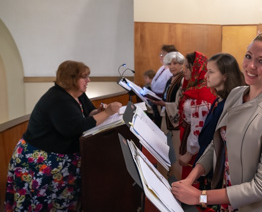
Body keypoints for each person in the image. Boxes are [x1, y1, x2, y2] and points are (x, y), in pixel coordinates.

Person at [172, 31, 262, 212]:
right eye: (248, 56)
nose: (250, 65)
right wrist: (190, 178)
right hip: (230, 200)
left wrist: (200, 196)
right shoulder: (236, 94)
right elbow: (218, 143)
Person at [4, 60, 122, 211]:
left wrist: (100, 112)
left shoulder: (78, 94)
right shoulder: (57, 99)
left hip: (58, 160)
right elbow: (77, 127)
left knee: (61, 204)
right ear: (71, 79)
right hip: (39, 161)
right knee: (42, 204)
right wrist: (107, 113)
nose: (89, 80)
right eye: (84, 77)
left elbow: (88, 113)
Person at [193, 53, 245, 191]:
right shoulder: (218, 100)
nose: (205, 76)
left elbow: (218, 143)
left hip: (218, 168)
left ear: (225, 76)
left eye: (210, 72)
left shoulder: (230, 104)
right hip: (207, 162)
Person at [178, 51, 217, 179]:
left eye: (188, 67)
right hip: (189, 139)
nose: (185, 71)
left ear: (197, 69)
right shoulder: (197, 87)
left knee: (192, 179)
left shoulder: (202, 93)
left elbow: (198, 128)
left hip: (195, 147)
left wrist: (189, 153)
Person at [151, 51, 186, 180]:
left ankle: (175, 179)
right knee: (165, 151)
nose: (172, 67)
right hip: (166, 118)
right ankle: (165, 178)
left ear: (182, 64)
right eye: (170, 64)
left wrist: (164, 104)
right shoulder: (170, 79)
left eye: (175, 63)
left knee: (175, 153)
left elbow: (180, 103)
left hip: (175, 123)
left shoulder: (182, 79)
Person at [151, 44, 178, 128]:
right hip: (155, 99)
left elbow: (169, 89)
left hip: (162, 101)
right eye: (160, 54)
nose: (161, 56)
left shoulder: (171, 71)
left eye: (164, 54)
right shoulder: (162, 68)